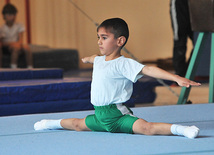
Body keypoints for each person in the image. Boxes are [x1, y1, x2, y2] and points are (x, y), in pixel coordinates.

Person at [34, 18, 200, 139]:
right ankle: (50, 123)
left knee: (146, 128)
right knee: (77, 124)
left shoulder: (124, 64)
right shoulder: (99, 59)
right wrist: (87, 59)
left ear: (120, 41)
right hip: (99, 116)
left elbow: (149, 69)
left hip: (117, 116)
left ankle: (182, 130)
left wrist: (175, 77)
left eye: (104, 38)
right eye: (98, 37)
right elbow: (94, 58)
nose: (99, 41)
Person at [0, 3, 33, 69]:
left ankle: (30, 67)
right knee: (15, 48)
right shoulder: (2, 28)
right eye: (9, 15)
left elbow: (21, 38)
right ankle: (13, 67)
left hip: (17, 44)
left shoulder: (19, 25)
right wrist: (13, 44)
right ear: (4, 16)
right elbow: (2, 42)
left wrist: (18, 44)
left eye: (14, 15)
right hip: (7, 46)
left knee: (27, 48)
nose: (12, 17)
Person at [170, 0, 193, 77]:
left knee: (200, 43)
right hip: (179, 5)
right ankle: (180, 75)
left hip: (194, 5)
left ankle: (190, 71)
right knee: (180, 41)